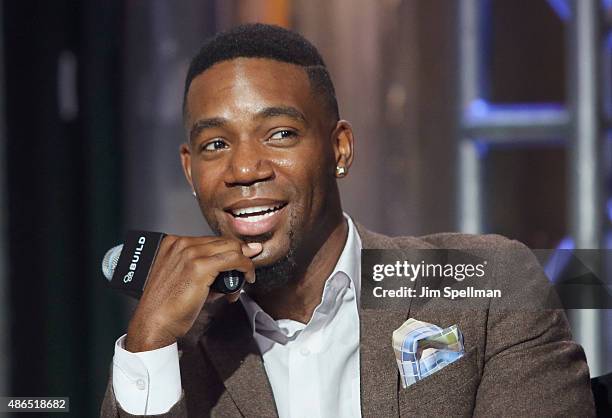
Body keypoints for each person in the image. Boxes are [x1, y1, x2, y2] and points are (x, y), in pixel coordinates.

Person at [101, 23, 595, 417]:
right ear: (190, 170)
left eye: (279, 134)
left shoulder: (490, 282)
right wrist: (148, 344)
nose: (244, 169)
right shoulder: (169, 352)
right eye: (216, 145)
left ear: (339, 149)